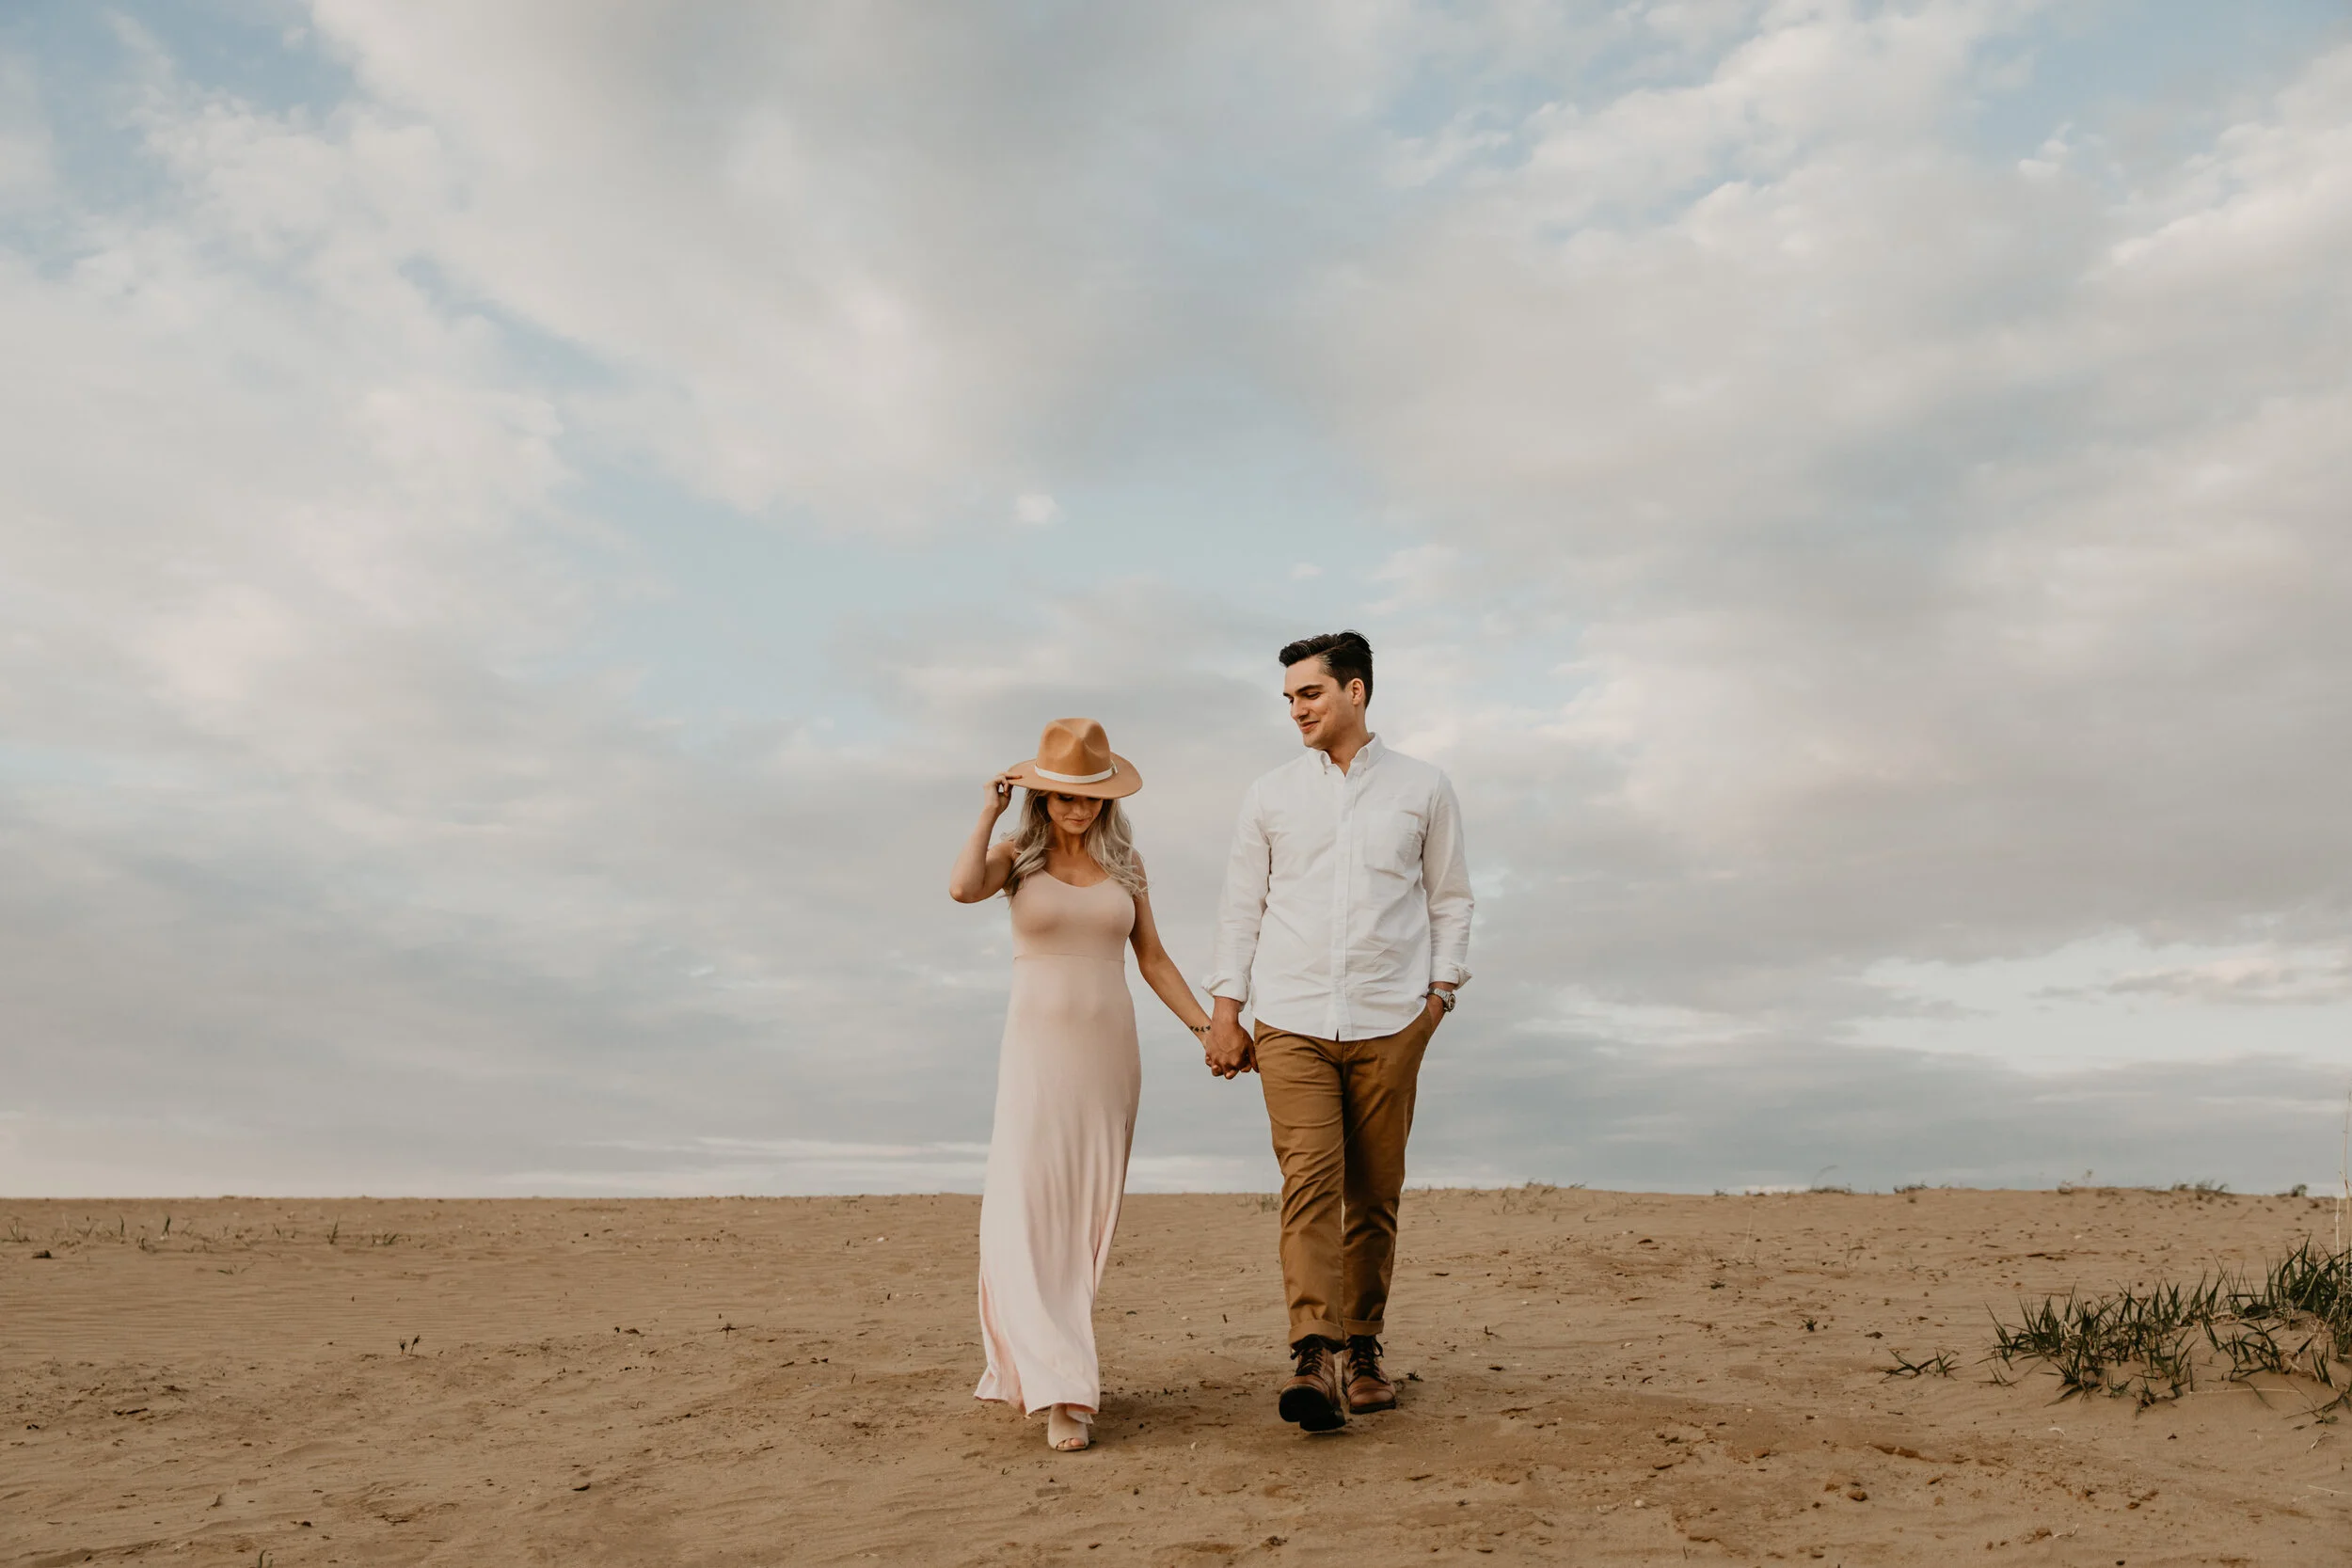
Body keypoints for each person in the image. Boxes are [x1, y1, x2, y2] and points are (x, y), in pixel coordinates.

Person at [1203, 630, 1474, 1433]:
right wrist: (1227, 1009)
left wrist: (1439, 997)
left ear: (1356, 691)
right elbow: (1240, 903)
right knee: (1311, 1181)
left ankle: (1363, 1347)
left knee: (1375, 1192)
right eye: (1289, 698)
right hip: (1290, 1018)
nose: (1297, 710)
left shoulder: (1424, 787)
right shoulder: (1271, 794)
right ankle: (1313, 1354)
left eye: (1309, 694)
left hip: (1393, 1017)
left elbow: (1450, 897)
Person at [948, 717, 1216, 1452]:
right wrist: (987, 812)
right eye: (1064, 795)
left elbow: (1154, 959)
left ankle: (1053, 1364)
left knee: (1083, 1216)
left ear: (1106, 797)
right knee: (1029, 1206)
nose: (1077, 808)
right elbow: (962, 888)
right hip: (1034, 1055)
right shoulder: (1017, 856)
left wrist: (1204, 1029)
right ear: (1041, 794)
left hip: (1107, 1055)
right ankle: (1060, 1387)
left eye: (1090, 796)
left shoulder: (1125, 862)